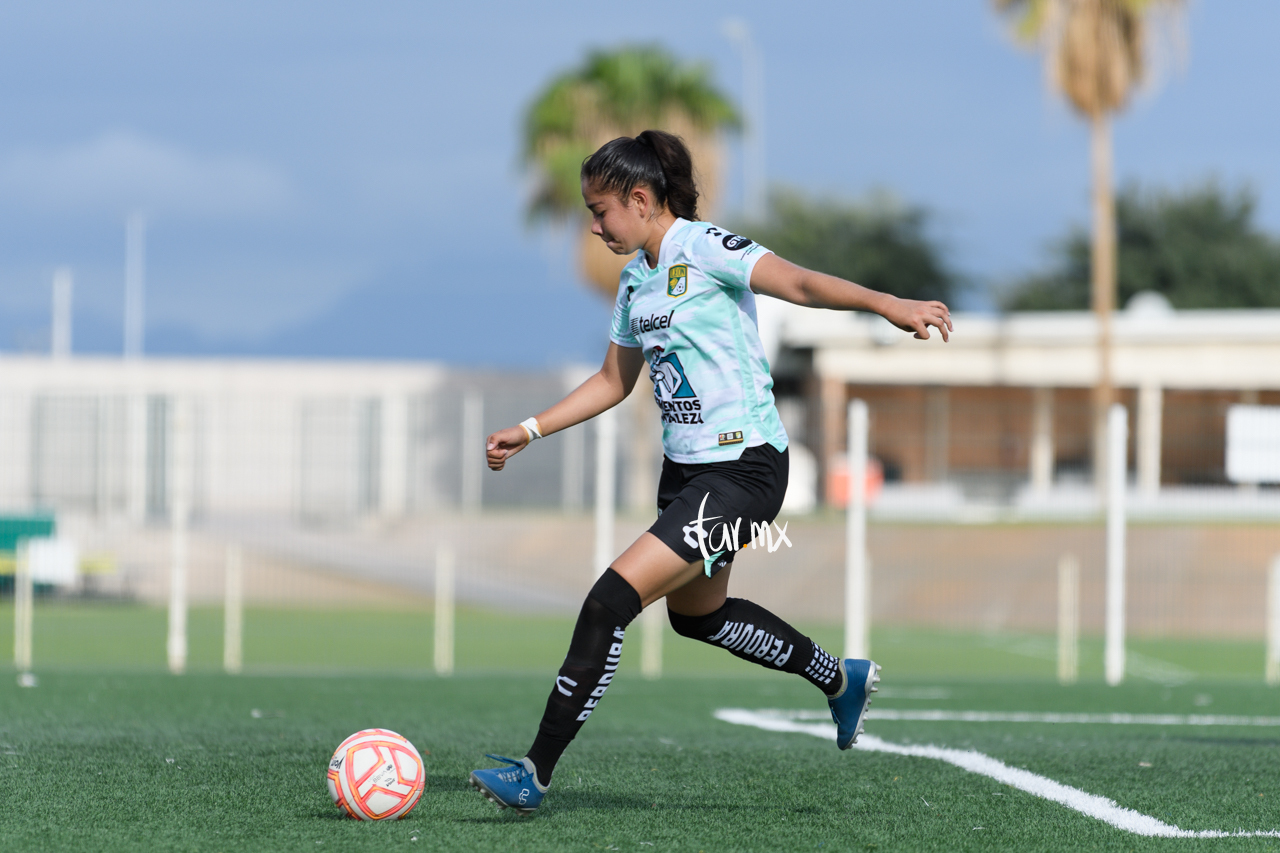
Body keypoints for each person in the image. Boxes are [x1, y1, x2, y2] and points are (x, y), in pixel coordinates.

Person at [468, 130, 952, 815]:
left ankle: (534, 770)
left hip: (745, 470)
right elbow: (613, 381)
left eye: (601, 210)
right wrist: (530, 429)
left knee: (609, 602)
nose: (594, 224)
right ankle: (840, 678)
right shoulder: (637, 276)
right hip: (687, 473)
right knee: (699, 617)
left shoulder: (707, 248)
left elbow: (802, 283)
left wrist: (888, 304)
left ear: (641, 199)